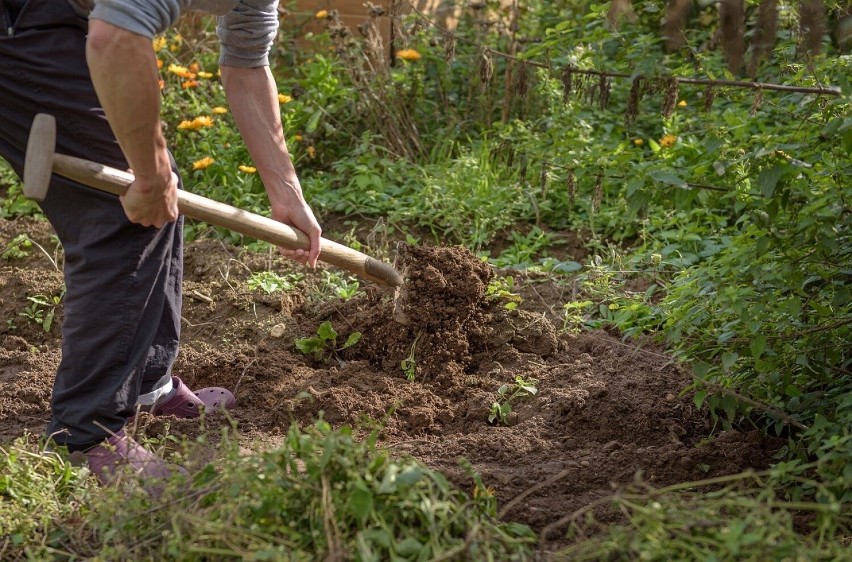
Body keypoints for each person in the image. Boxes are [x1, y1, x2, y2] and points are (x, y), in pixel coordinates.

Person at [0, 0, 322, 484]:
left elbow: (247, 62)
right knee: (128, 208)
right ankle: (85, 435)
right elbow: (114, 36)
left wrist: (287, 192)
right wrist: (148, 177)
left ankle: (145, 383)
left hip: (58, 20)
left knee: (157, 196)